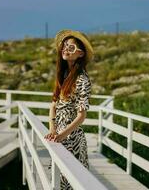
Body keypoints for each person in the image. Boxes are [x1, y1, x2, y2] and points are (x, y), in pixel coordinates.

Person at [44, 29, 94, 190]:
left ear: (80, 54)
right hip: (59, 136)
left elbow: (82, 115)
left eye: (71, 47)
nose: (65, 49)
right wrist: (52, 129)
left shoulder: (82, 79)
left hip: (72, 139)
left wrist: (61, 135)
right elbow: (53, 105)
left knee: (71, 183)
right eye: (64, 46)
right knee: (58, 181)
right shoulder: (64, 74)